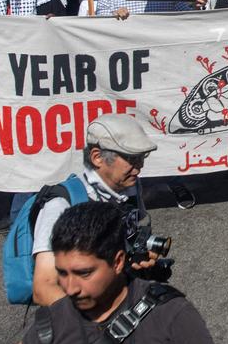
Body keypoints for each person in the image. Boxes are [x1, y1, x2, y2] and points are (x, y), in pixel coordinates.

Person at [20, 201, 214, 344]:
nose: (70, 289)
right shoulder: (48, 327)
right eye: (62, 273)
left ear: (118, 262)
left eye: (84, 273)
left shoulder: (171, 315)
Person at [30, 114, 157, 306]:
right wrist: (101, 319)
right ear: (97, 157)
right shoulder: (62, 205)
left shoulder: (130, 187)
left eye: (142, 157)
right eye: (132, 158)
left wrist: (141, 257)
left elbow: (136, 235)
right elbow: (43, 288)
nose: (139, 167)